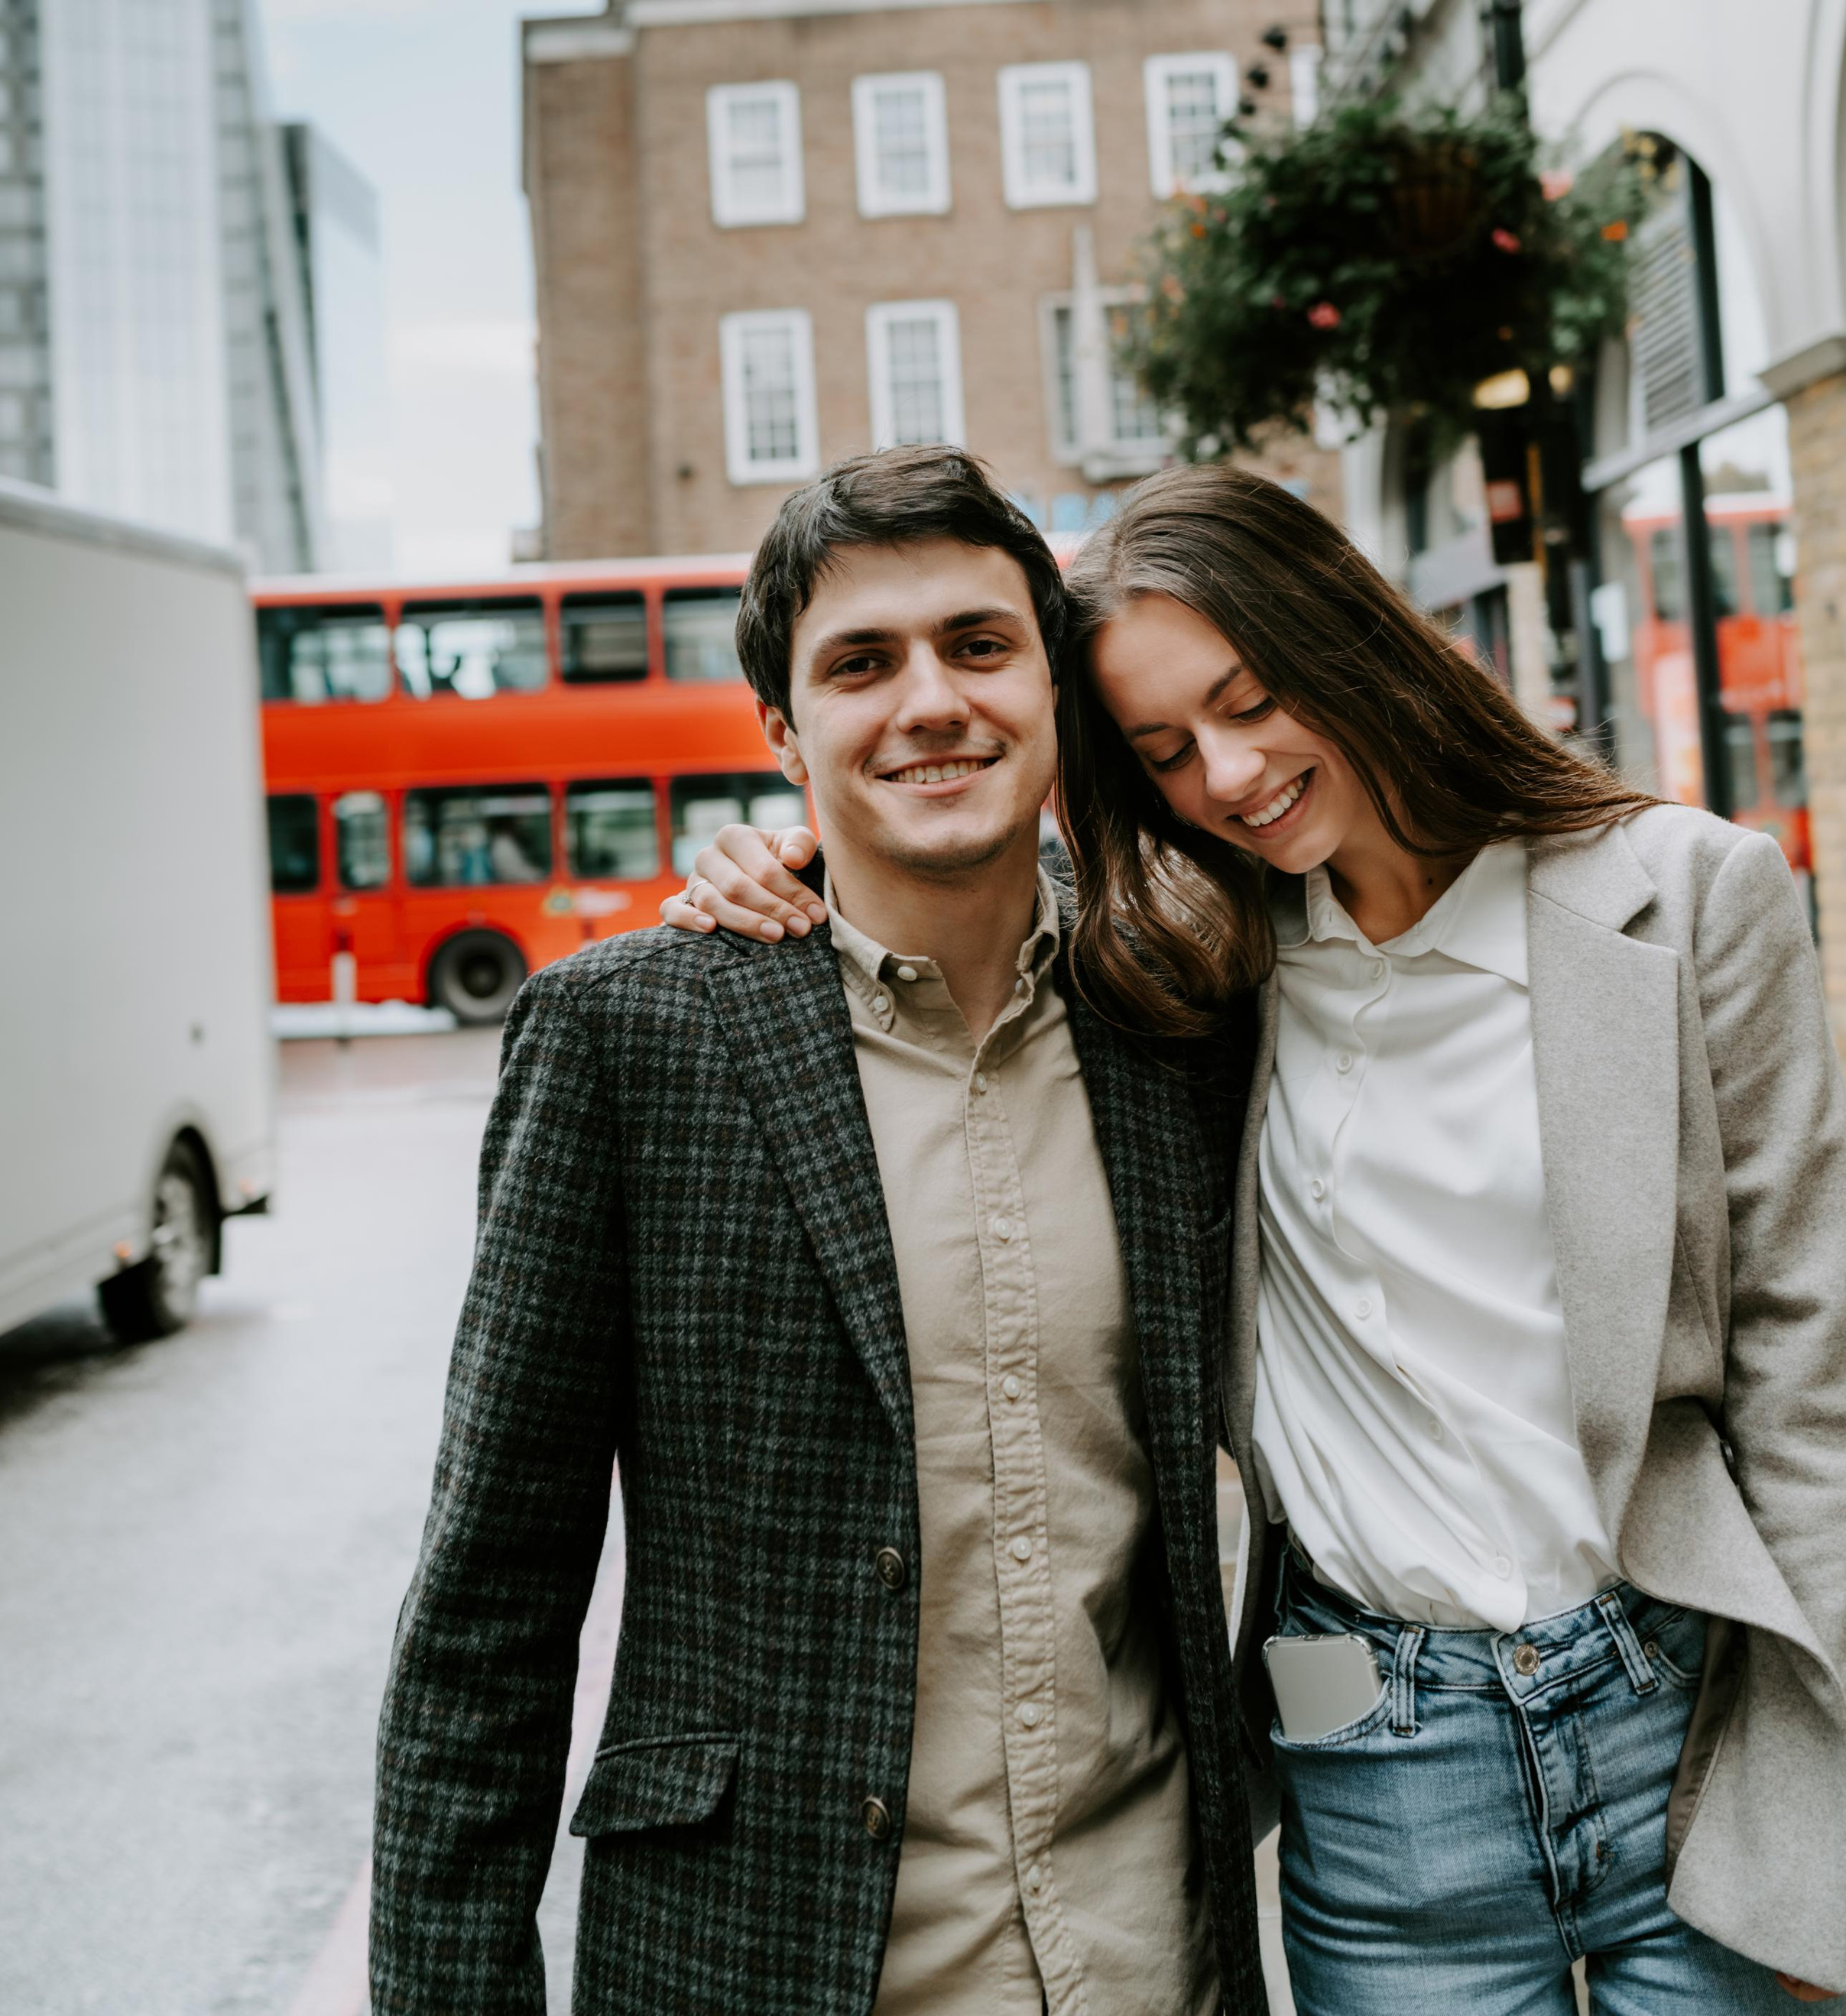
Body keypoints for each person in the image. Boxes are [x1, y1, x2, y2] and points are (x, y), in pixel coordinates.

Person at [667, 460, 1846, 2015]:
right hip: (1381, 1752)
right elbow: (945, 880)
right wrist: (779, 852)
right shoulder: (1204, 955)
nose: (1230, 771)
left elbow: (1806, 1397)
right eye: (1164, 747)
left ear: (1348, 639)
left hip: (1682, 1703)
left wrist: (1840, 1812)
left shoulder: (1682, 897)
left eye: (1253, 698)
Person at [368, 447, 1267, 2016]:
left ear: (1051, 685)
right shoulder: (626, 1037)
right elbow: (487, 1608)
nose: (930, 700)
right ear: (782, 732)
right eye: (861, 662)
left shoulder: (1173, 1004)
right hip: (763, 1960)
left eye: (978, 644)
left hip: (1149, 1956)